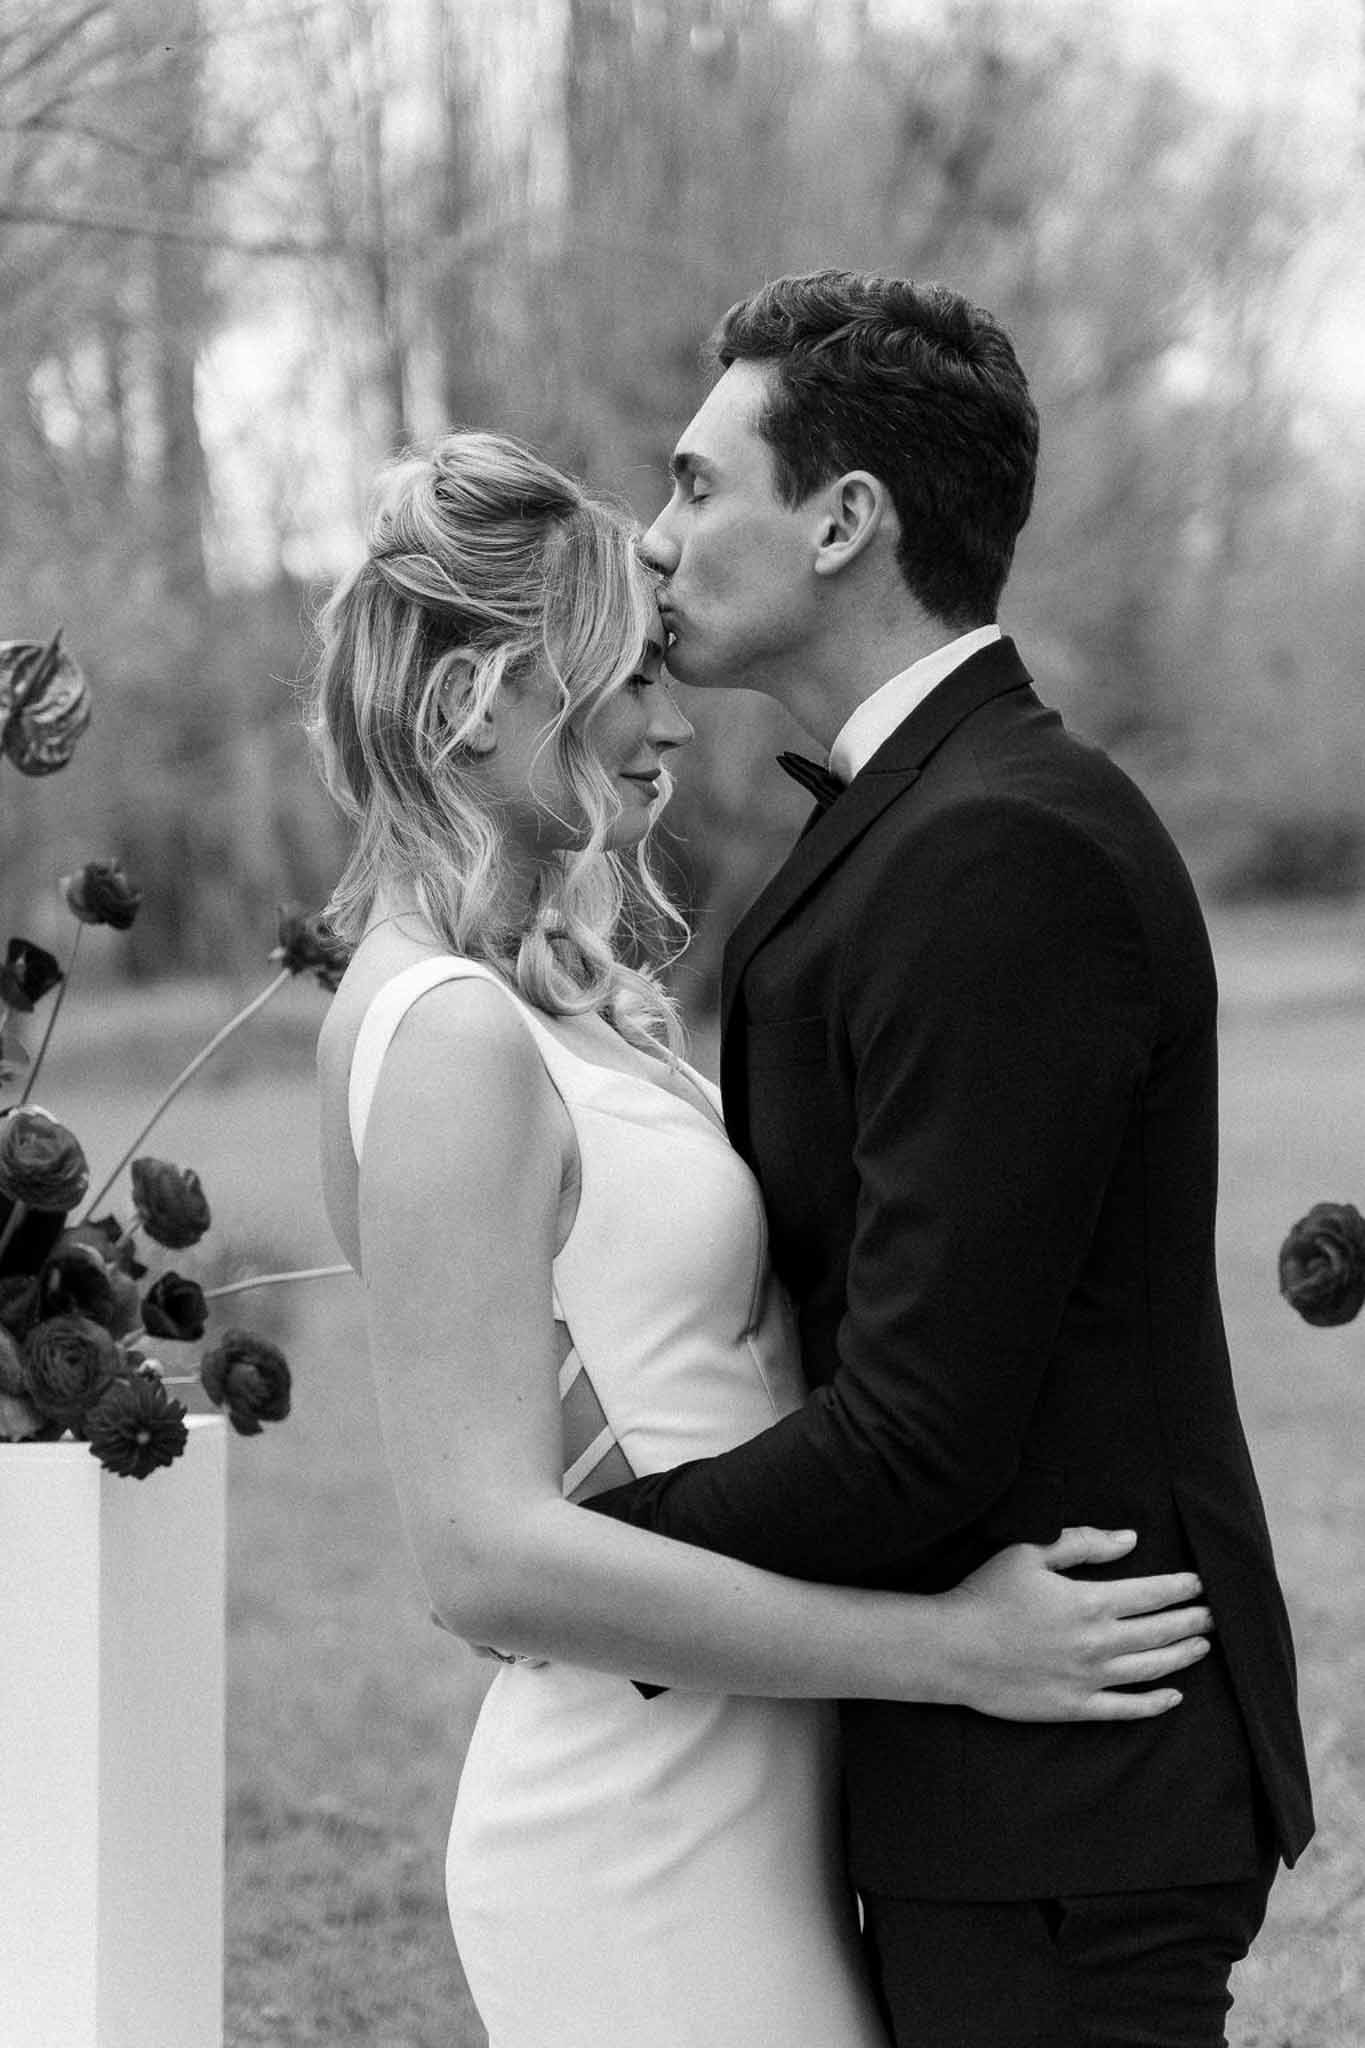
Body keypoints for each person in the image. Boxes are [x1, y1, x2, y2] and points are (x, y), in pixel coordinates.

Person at [310, 429, 1216, 2048]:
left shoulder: (535, 997)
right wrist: (948, 1653)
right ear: (480, 699)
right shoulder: (443, 1031)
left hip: (754, 1784)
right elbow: (484, 1555)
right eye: (623, 674)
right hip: (638, 1823)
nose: (670, 718)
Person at [584, 271, 1316, 2047]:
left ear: (845, 520)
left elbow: (920, 1424)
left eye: (695, 486)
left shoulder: (1004, 853)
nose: (654, 543)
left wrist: (591, 1565)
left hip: (1063, 1788)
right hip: (978, 1771)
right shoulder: (922, 820)